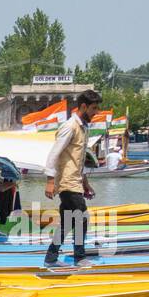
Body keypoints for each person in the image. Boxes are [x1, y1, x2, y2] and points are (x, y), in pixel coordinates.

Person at [43, 90, 102, 265]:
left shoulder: (84, 127)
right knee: (82, 217)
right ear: (83, 106)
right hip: (67, 183)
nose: (96, 112)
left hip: (75, 182)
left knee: (67, 222)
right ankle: (79, 257)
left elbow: (78, 159)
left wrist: (85, 183)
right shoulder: (70, 126)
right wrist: (50, 181)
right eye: (94, 108)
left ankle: (51, 258)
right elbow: (54, 153)